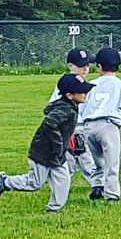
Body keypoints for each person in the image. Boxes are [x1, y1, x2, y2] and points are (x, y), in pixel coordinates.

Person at [0, 73, 96, 210]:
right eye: (82, 91)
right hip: (43, 152)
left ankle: (53, 208)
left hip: (57, 153)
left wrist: (65, 145)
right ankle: (5, 181)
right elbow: (49, 124)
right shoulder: (64, 109)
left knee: (63, 180)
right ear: (70, 95)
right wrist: (59, 144)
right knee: (35, 183)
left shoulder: (70, 107)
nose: (85, 93)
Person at [78, 47, 121, 201]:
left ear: (98, 66)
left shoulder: (91, 84)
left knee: (98, 161)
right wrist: (118, 124)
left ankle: (97, 187)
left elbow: (82, 108)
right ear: (118, 66)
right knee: (112, 161)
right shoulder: (120, 85)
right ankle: (112, 194)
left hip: (89, 126)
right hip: (108, 125)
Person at [49, 47, 96, 185]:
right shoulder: (65, 84)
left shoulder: (85, 85)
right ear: (70, 66)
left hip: (84, 126)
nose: (85, 69)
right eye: (81, 66)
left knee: (87, 159)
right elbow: (54, 107)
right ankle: (62, 188)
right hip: (71, 128)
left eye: (87, 65)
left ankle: (98, 186)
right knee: (71, 161)